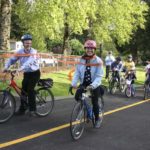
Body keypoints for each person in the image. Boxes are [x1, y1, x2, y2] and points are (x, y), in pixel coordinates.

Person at [3, 34, 40, 116]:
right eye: (27, 43)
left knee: (30, 90)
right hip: (27, 74)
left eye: (30, 43)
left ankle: (32, 110)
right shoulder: (20, 51)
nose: (28, 44)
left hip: (35, 73)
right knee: (23, 91)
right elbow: (12, 59)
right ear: (23, 43)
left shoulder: (33, 52)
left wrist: (19, 69)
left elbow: (28, 62)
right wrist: (6, 67)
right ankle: (22, 109)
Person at [70, 40, 104, 129]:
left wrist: (92, 86)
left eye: (92, 48)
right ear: (85, 49)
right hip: (84, 83)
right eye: (88, 48)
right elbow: (77, 73)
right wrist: (73, 83)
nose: (90, 50)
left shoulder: (98, 61)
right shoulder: (81, 60)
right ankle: (86, 109)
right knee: (77, 96)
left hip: (94, 84)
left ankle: (97, 119)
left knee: (95, 102)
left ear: (94, 50)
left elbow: (99, 76)